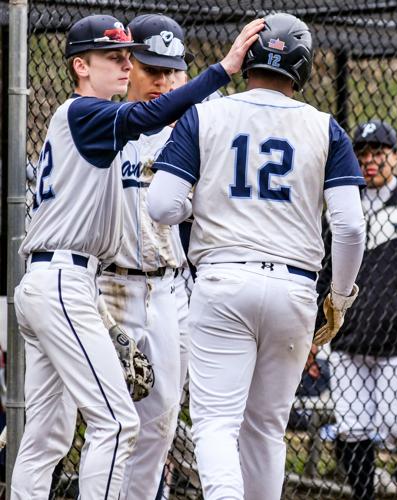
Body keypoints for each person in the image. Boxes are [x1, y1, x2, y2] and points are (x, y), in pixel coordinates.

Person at [11, 13, 264, 499]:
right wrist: (225, 67)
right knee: (117, 422)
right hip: (72, 281)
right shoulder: (87, 115)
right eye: (116, 57)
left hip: (75, 282)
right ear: (80, 65)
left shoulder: (97, 120)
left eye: (131, 56)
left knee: (48, 436)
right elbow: (145, 117)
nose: (128, 66)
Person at [147, 12, 366, 500]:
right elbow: (350, 227)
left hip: (223, 281)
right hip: (295, 287)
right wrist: (341, 297)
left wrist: (198, 204)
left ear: (247, 60)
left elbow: (162, 205)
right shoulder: (324, 126)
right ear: (303, 68)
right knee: (266, 427)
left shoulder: (206, 114)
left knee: (216, 423)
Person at [97, 13, 195, 499]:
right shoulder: (101, 123)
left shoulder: (193, 133)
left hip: (170, 286)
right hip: (109, 285)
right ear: (127, 65)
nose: (163, 82)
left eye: (173, 72)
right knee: (112, 422)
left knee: (160, 421)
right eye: (152, 68)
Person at [321, 119, 397, 500]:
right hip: (347, 339)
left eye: (378, 153)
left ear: (395, 157)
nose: (370, 161)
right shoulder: (343, 202)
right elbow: (324, 269)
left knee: (395, 422)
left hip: (394, 343)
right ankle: (363, 495)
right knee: (353, 427)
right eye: (363, 153)